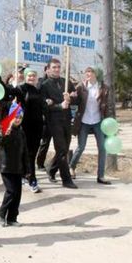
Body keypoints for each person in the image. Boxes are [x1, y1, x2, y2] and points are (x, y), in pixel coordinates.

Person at [40, 58, 78, 189]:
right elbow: (44, 107)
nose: (57, 69)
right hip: (54, 121)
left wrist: (71, 98)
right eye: (54, 67)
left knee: (64, 149)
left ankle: (51, 168)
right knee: (61, 149)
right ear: (48, 69)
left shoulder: (65, 82)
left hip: (67, 120)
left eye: (58, 67)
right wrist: (59, 106)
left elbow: (75, 96)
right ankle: (66, 179)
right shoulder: (44, 85)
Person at [5, 68, 45, 193]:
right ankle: (32, 179)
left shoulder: (39, 91)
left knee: (32, 153)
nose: (31, 78)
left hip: (37, 127)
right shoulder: (20, 89)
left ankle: (24, 174)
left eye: (34, 75)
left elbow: (43, 108)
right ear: (25, 77)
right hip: (25, 127)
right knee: (29, 155)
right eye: (29, 75)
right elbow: (6, 91)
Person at [70, 67, 111, 184]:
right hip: (84, 121)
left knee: (102, 149)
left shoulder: (102, 87)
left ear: (95, 74)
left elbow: (106, 105)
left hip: (98, 121)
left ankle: (101, 176)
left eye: (90, 72)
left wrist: (108, 121)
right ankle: (71, 167)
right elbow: (74, 101)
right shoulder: (81, 87)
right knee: (81, 147)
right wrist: (71, 97)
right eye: (86, 73)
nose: (87, 75)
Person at [0, 102, 30, 227]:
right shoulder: (5, 128)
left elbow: (25, 152)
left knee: (17, 194)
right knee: (11, 191)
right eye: (15, 117)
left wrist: (27, 169)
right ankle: (2, 213)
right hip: (6, 167)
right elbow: (0, 142)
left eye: (20, 117)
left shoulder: (21, 132)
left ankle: (12, 217)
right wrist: (7, 131)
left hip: (18, 167)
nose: (18, 119)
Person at [36, 64, 53, 170]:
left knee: (47, 141)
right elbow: (37, 98)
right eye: (50, 69)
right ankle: (39, 163)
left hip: (53, 115)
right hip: (43, 116)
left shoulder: (56, 82)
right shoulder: (41, 83)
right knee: (42, 141)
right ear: (46, 70)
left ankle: (41, 163)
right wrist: (45, 101)